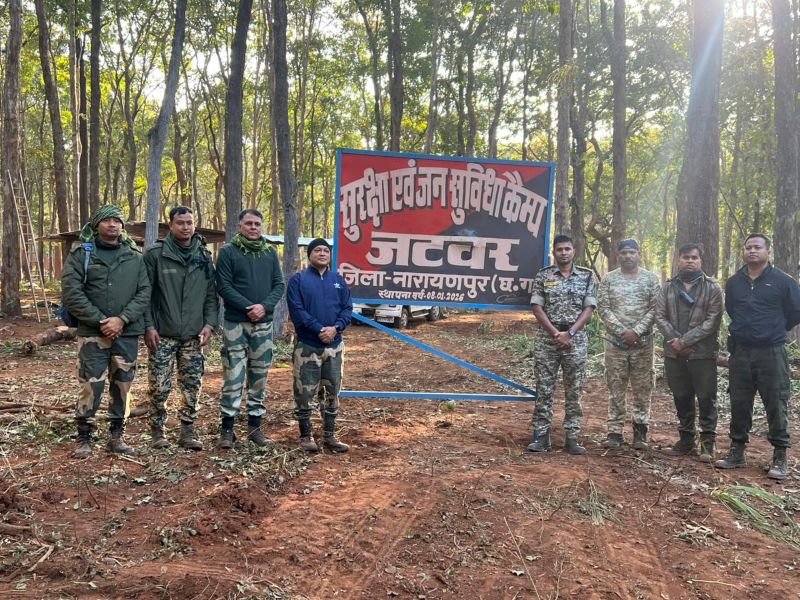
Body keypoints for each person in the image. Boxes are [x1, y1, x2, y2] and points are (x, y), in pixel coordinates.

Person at [61, 205, 151, 458]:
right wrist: (101, 321)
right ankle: (84, 438)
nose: (112, 225)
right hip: (92, 334)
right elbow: (71, 292)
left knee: (123, 385)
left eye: (117, 221)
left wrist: (122, 319)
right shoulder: (82, 254)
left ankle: (116, 436)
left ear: (122, 226)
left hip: (126, 333)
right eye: (107, 220)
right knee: (91, 385)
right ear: (96, 225)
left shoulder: (134, 257)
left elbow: (144, 292)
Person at [716, 233, 800, 479]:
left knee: (776, 401)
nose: (752, 251)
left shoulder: (783, 281)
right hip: (741, 351)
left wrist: (774, 329)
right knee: (739, 401)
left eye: (757, 247)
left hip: (771, 351)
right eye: (748, 247)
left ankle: (780, 456)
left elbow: (796, 311)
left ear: (767, 251)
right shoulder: (734, 282)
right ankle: (737, 451)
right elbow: (732, 309)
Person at [143, 206, 218, 451]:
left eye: (189, 222)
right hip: (162, 333)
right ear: (170, 226)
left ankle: (187, 431)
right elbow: (145, 294)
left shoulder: (203, 256)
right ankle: (157, 431)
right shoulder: (156, 255)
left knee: (192, 384)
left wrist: (209, 324)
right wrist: (149, 326)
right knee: (158, 386)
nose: (186, 227)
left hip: (193, 335)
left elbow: (210, 295)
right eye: (180, 223)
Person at [215, 209, 286, 449]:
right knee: (233, 377)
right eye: (248, 223)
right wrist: (248, 307)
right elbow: (223, 286)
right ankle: (227, 430)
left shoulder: (269, 253)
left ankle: (255, 429)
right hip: (236, 324)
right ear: (240, 226)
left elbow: (279, 284)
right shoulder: (228, 252)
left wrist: (264, 307)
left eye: (257, 223)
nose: (253, 227)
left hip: (263, 326)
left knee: (259, 377)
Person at [526, 235, 597, 455]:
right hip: (548, 339)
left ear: (574, 251)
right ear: (554, 252)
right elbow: (537, 307)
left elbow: (589, 309)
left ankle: (572, 438)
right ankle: (542, 438)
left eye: (567, 249)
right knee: (544, 389)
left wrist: (570, 333)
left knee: (574, 390)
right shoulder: (543, 275)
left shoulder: (587, 276)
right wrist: (556, 333)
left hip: (576, 340)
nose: (564, 253)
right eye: (559, 249)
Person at [654, 243, 723, 461]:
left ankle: (707, 444)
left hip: (702, 354)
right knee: (681, 396)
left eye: (694, 257)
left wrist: (684, 341)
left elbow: (713, 321)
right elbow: (659, 316)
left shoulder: (712, 288)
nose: (690, 261)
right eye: (686, 257)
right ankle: (685, 441)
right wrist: (675, 342)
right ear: (679, 260)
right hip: (674, 354)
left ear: (701, 261)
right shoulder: (667, 287)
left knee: (706, 398)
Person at [287, 238, 353, 453]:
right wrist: (319, 329)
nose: (322, 253)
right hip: (308, 346)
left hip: (334, 346)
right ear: (310, 254)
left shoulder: (338, 280)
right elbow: (297, 311)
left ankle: (329, 436)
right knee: (304, 391)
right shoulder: (298, 280)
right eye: (317, 250)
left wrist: (336, 328)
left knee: (331, 391)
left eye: (326, 250)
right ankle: (306, 436)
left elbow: (347, 308)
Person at [597, 239, 661, 450]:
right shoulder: (608, 279)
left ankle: (640, 432)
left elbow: (656, 308)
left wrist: (637, 331)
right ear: (618, 255)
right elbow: (603, 308)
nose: (627, 256)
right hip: (615, 344)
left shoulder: (651, 279)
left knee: (643, 388)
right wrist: (622, 332)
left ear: (638, 254)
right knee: (616, 388)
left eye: (632, 252)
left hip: (643, 344)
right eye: (624, 252)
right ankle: (614, 432)